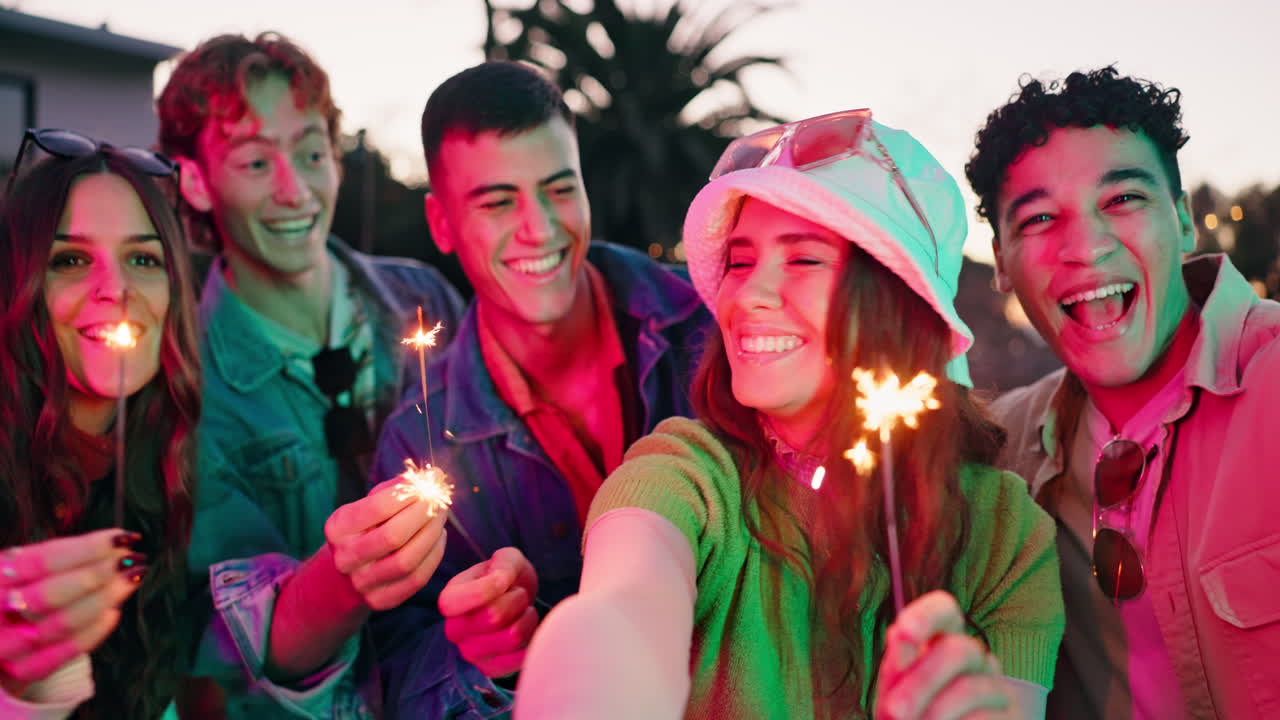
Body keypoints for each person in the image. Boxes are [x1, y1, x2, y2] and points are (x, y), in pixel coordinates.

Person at [515, 109, 1065, 719]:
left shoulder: (1003, 532)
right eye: (741, 260)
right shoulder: (686, 477)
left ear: (895, 302)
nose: (747, 295)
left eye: (803, 261)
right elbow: (621, 614)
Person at [367, 60, 711, 717]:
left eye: (559, 189)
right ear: (440, 223)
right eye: (498, 202)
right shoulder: (419, 436)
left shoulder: (713, 333)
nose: (541, 230)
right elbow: (394, 671)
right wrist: (479, 656)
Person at [156, 33, 463, 718]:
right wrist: (339, 586)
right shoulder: (187, 391)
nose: (295, 190)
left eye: (311, 153)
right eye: (257, 162)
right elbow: (225, 663)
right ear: (196, 181)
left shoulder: (427, 299)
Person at [965, 66, 1280, 719]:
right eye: (1041, 217)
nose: (1084, 247)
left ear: (1184, 221)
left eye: (1122, 200)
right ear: (1000, 261)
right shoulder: (998, 453)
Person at [0, 130, 201, 719]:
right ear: (20, 284)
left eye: (143, 259)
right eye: (71, 259)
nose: (114, 289)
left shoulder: (193, 467)